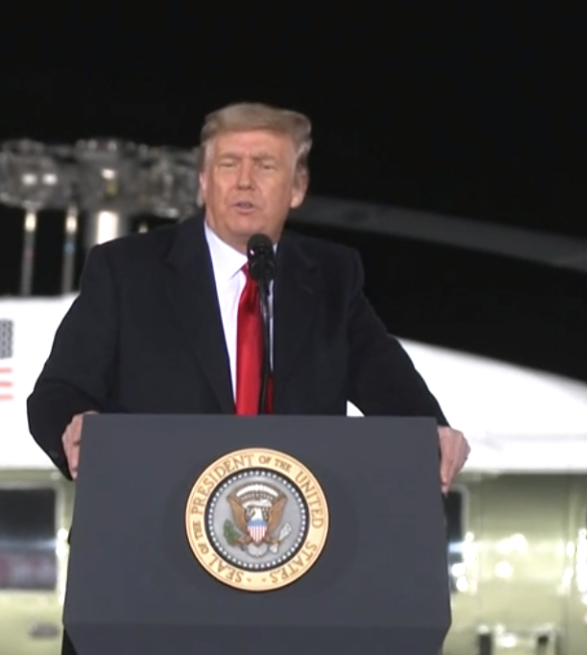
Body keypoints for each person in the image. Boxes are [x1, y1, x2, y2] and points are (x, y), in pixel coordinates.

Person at [26, 101, 470, 654]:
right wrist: (73, 428)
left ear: (297, 187)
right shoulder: (126, 272)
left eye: (264, 165)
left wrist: (432, 434)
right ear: (203, 180)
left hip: (297, 586)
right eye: (229, 163)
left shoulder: (331, 279)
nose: (244, 180)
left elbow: (387, 379)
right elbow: (56, 394)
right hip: (147, 578)